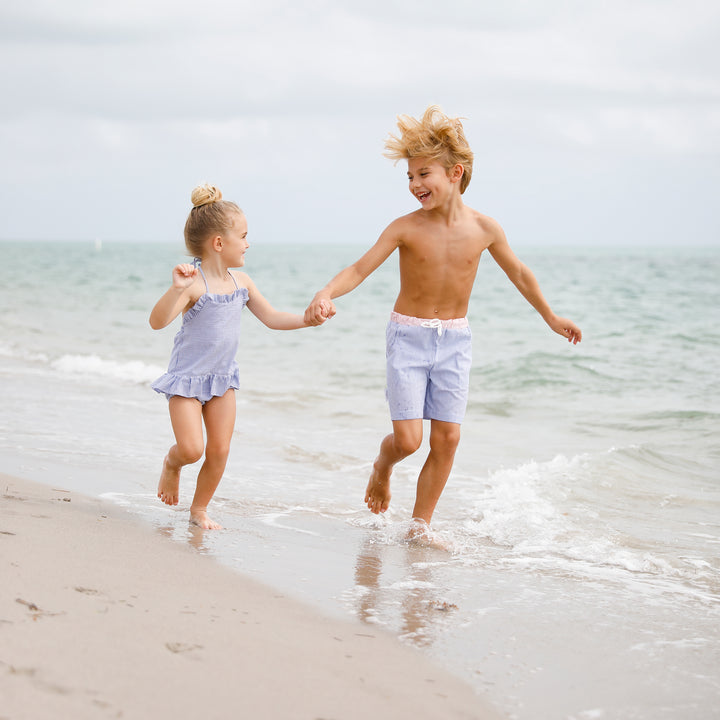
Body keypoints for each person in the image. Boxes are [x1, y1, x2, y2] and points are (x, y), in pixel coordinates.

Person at [304, 106, 582, 539]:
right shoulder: (405, 228)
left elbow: (520, 274)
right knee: (409, 441)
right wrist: (325, 293)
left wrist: (550, 316)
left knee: (448, 439)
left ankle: (420, 527)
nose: (415, 185)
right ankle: (382, 466)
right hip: (408, 337)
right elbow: (358, 270)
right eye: (410, 177)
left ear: (456, 172)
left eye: (423, 174)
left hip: (455, 340)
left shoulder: (485, 229)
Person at [150, 184, 325, 529]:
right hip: (187, 381)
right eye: (243, 236)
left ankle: (198, 509)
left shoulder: (242, 282)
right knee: (191, 450)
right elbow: (157, 322)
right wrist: (176, 289)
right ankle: (172, 465)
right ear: (219, 243)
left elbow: (272, 318)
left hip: (222, 381)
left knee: (219, 451)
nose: (248, 243)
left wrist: (308, 319)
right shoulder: (194, 285)